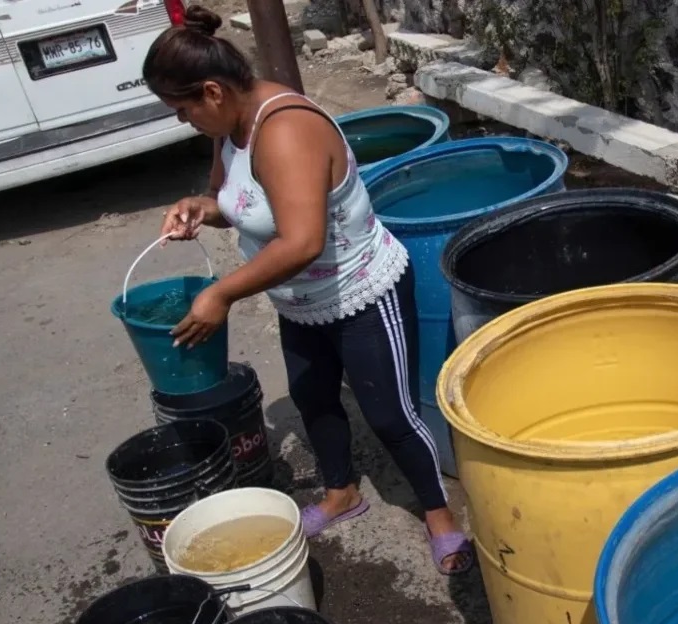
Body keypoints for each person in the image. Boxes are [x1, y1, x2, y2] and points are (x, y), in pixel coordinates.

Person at [142, 5, 472, 574]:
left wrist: (221, 295)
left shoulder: (285, 130)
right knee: (313, 395)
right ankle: (342, 492)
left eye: (181, 110)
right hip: (299, 301)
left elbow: (300, 242)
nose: (181, 121)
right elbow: (231, 203)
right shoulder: (229, 130)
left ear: (213, 92)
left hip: (360, 291)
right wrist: (199, 208)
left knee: (390, 414)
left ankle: (440, 515)